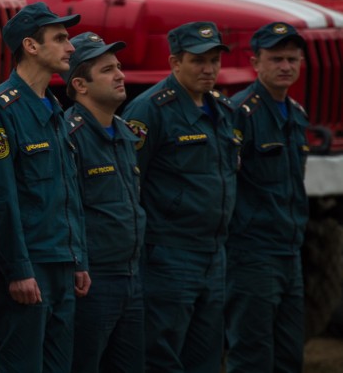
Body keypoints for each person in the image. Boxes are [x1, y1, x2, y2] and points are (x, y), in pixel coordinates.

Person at [0, 2, 90, 372]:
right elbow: (0, 199)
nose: (70, 47)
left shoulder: (52, 107)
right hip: (30, 268)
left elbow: (68, 192)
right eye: (60, 38)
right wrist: (18, 269)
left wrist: (78, 258)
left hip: (60, 264)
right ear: (31, 46)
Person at [122, 21, 239, 373]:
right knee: (161, 355)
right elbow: (129, 183)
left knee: (205, 357)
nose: (209, 69)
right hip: (169, 256)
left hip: (214, 254)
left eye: (215, 60)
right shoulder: (150, 110)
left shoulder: (222, 112)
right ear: (175, 63)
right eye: (198, 61)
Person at [225, 22, 309, 372]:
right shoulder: (239, 114)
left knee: (290, 354)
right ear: (255, 62)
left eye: (292, 59)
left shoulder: (298, 115)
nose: (286, 67)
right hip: (252, 254)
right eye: (276, 59)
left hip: (290, 251)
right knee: (252, 354)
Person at [61, 32, 147, 373]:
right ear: (80, 84)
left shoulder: (125, 134)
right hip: (92, 282)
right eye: (108, 69)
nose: (121, 75)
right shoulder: (69, 136)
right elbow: (68, 209)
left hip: (131, 276)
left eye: (119, 67)